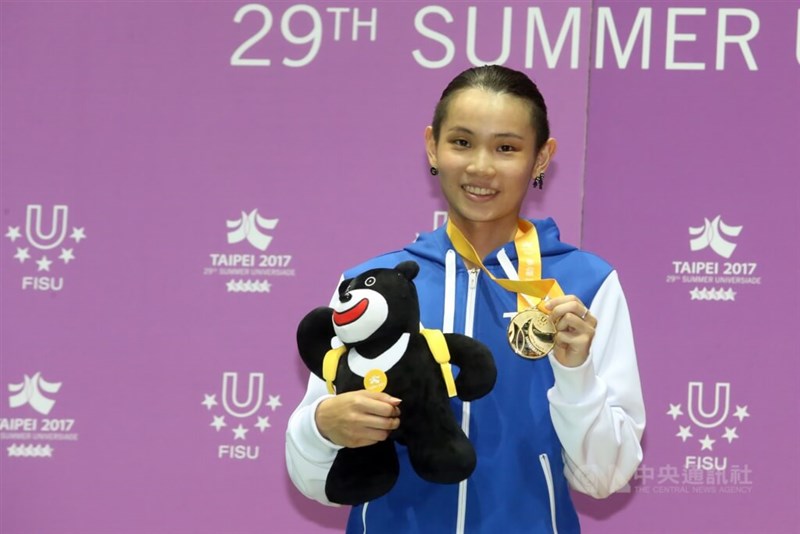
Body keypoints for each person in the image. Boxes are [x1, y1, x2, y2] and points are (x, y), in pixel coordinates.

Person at [286, 65, 645, 533]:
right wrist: (321, 427)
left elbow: (604, 477)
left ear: (541, 158)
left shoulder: (586, 284)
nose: (480, 166)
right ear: (432, 145)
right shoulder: (370, 286)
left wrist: (576, 375)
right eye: (461, 142)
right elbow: (312, 478)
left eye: (506, 148)